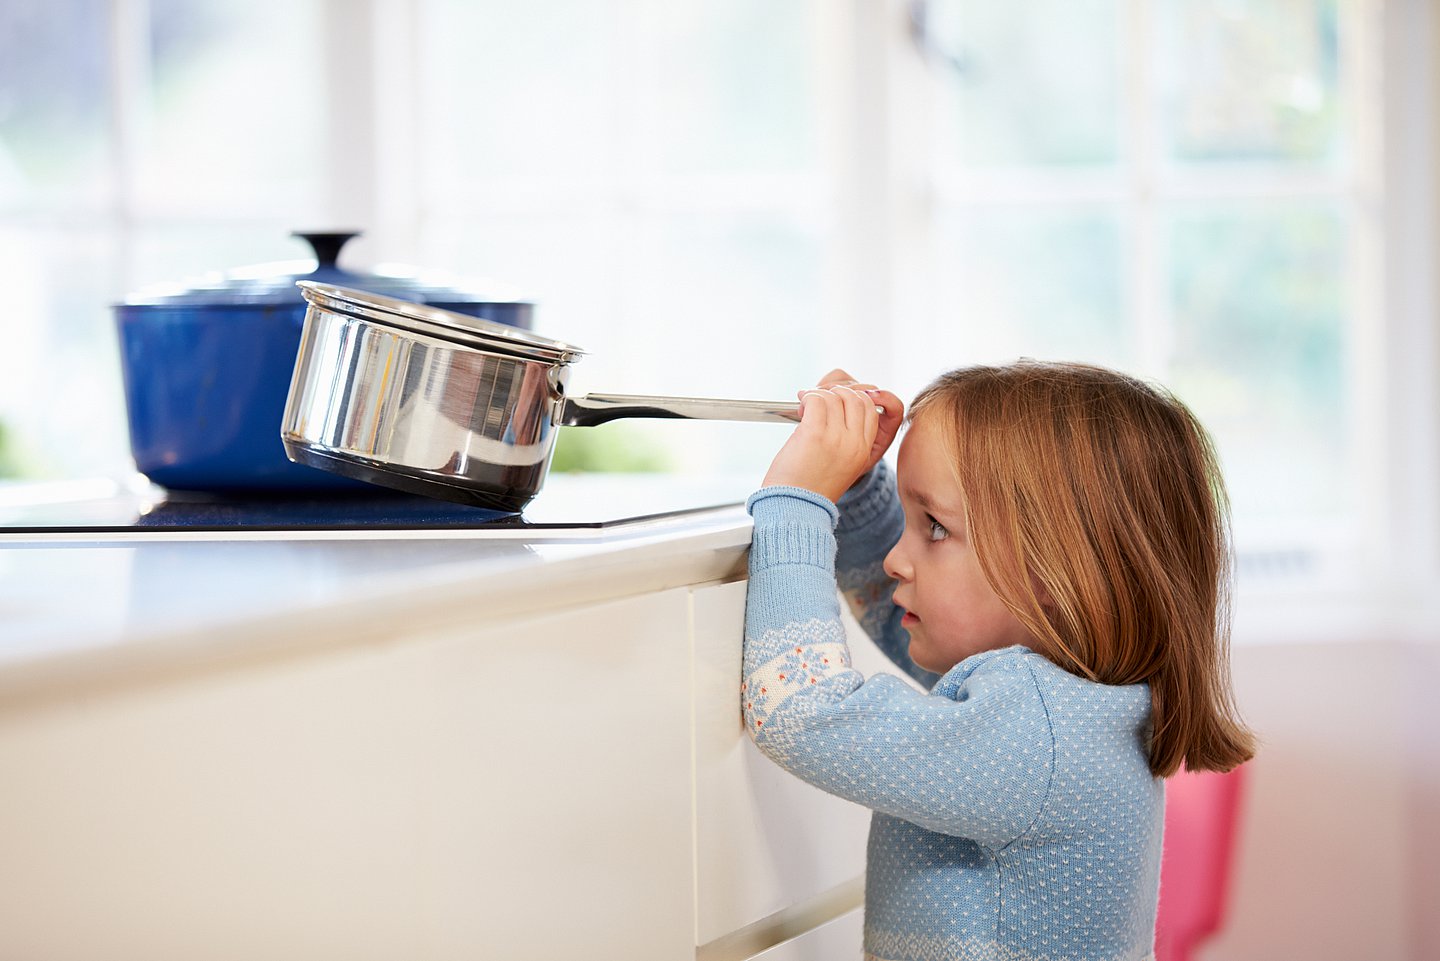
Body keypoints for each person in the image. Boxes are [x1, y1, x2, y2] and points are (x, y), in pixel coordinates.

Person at [742, 361, 1256, 961]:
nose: (895, 561)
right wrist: (854, 493)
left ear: (1054, 569)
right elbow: (903, 615)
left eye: (933, 527)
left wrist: (796, 504)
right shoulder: (1070, 702)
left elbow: (800, 709)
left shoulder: (1035, 737)